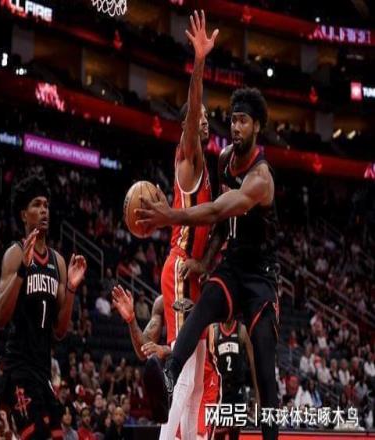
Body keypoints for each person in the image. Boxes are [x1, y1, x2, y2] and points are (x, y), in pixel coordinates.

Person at [135, 86, 280, 440]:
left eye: (243, 121)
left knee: (264, 370)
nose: (236, 127)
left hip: (260, 277)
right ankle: (168, 375)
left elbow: (217, 210)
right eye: (233, 120)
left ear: (257, 126)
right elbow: (221, 225)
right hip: (232, 266)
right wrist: (203, 261)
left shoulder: (261, 179)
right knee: (200, 311)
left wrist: (171, 215)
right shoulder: (224, 159)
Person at [138, 9, 218, 440]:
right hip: (181, 268)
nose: (204, 121)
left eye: (206, 119)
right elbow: (193, 108)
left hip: (193, 272)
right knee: (185, 374)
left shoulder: (205, 165)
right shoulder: (189, 157)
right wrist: (199, 62)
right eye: (198, 118)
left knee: (197, 377)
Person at [0, 175, 87, 439]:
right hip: (18, 367)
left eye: (46, 205)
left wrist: (71, 289)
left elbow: (60, 331)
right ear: (24, 215)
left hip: (42, 369)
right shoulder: (15, 253)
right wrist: (23, 269)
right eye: (36, 204)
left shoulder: (58, 262)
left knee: (56, 435)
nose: (44, 210)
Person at [112, 285, 220, 439]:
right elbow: (143, 351)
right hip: (178, 380)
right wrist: (131, 320)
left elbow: (196, 346)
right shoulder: (161, 303)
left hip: (205, 381)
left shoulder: (202, 290)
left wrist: (166, 350)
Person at [210, 320, 259, 440]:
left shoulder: (242, 331)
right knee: (218, 435)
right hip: (220, 391)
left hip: (237, 391)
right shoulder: (215, 332)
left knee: (234, 434)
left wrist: (257, 395)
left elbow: (253, 363)